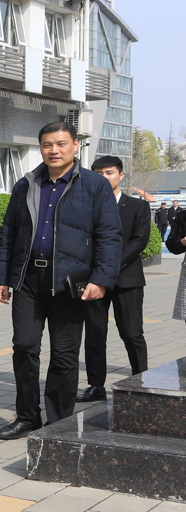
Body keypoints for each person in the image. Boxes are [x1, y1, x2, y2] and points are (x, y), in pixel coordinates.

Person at [0, 122, 121, 439]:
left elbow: (109, 236)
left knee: (64, 355)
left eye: (61, 144)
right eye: (47, 144)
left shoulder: (94, 185)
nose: (54, 150)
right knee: (24, 347)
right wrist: (2, 277)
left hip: (68, 282)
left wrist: (101, 279)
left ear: (75, 145)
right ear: (40, 148)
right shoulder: (26, 184)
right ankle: (27, 417)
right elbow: (9, 233)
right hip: (28, 279)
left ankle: (58, 423)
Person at [79, 156, 150, 402]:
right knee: (95, 335)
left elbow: (138, 242)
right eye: (97, 174)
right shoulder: (84, 206)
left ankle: (141, 382)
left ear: (121, 175)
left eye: (108, 173)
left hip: (126, 279)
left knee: (132, 333)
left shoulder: (138, 206)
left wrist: (110, 267)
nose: (103, 178)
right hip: (94, 279)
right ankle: (96, 386)